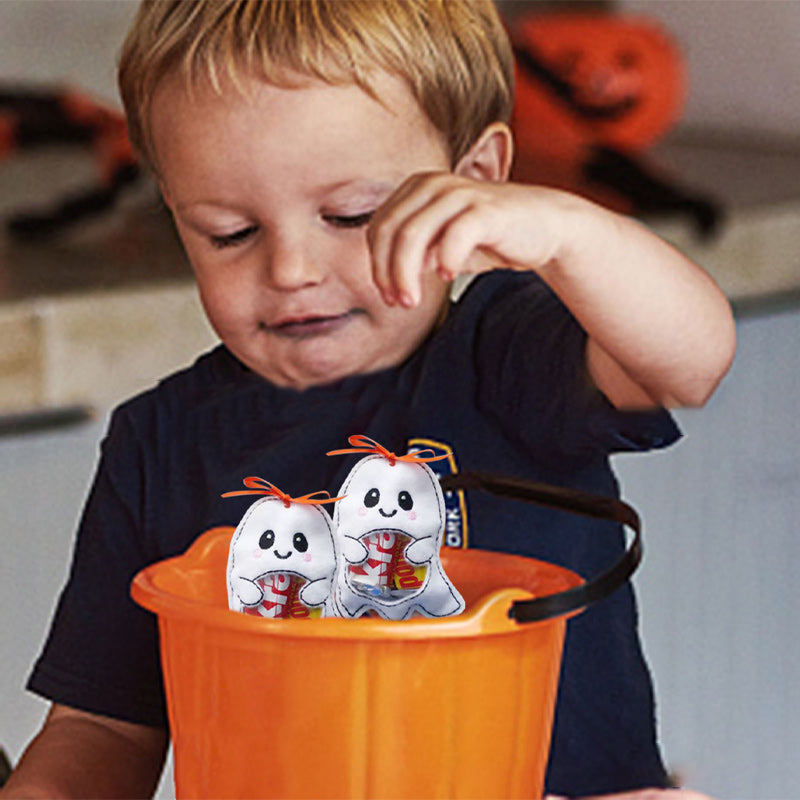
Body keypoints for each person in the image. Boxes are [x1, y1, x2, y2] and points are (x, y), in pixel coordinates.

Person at [1, 1, 735, 798]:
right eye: (228, 233)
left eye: (352, 216)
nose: (291, 270)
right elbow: (102, 728)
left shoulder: (511, 355)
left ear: (477, 182)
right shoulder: (160, 444)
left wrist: (570, 236)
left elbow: (687, 366)